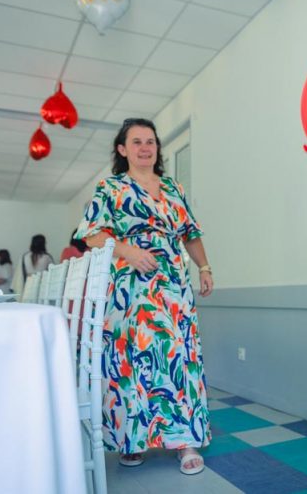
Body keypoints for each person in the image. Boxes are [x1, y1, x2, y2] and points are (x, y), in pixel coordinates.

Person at [76, 117, 214, 473]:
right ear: (123, 150)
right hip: (130, 285)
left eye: (150, 141)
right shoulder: (111, 188)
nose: (144, 147)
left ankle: (185, 442)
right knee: (132, 360)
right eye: (136, 142)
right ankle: (132, 438)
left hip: (172, 285)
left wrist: (204, 267)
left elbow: (190, 233)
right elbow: (90, 235)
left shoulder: (173, 188)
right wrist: (127, 250)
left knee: (177, 357)